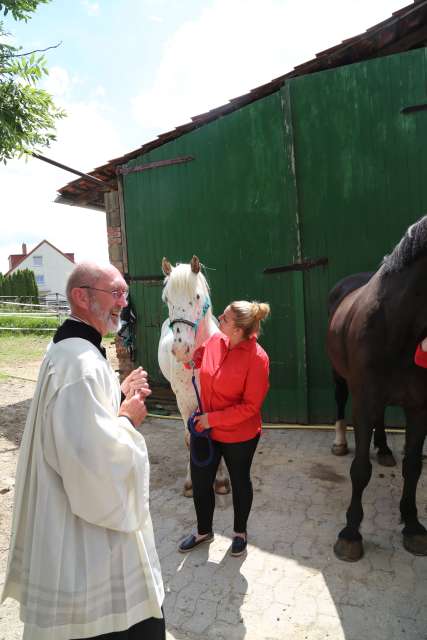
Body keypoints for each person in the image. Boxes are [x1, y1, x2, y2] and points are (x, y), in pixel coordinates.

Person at [1, 262, 165, 640]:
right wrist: (126, 419)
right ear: (81, 296)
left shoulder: (73, 350)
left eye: (126, 293)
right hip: (87, 542)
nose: (123, 302)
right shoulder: (81, 365)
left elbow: (80, 425)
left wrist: (117, 394)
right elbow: (92, 465)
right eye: (115, 293)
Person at [178, 300, 270, 557]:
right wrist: (193, 359)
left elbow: (250, 407)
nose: (220, 318)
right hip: (206, 430)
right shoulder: (215, 341)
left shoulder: (258, 359)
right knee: (199, 481)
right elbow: (201, 361)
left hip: (239, 434)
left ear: (239, 330)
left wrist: (212, 420)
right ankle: (203, 530)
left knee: (240, 482)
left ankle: (239, 533)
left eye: (226, 318)